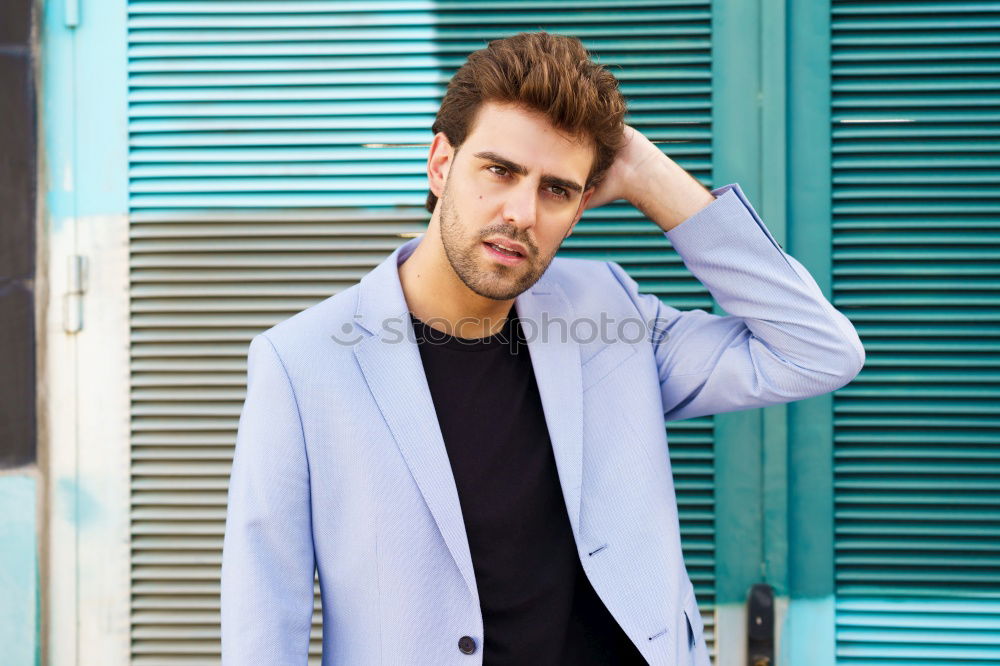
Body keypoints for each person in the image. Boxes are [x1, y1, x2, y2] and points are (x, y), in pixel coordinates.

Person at [220, 31, 864, 665]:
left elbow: (816, 352)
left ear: (583, 205)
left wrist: (647, 175)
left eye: (556, 189)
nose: (522, 212)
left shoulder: (607, 310)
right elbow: (262, 620)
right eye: (499, 171)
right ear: (442, 164)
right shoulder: (302, 362)